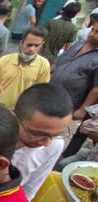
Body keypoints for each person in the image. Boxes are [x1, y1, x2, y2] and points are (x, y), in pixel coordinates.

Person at [12, 83, 73, 201]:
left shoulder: (56, 144)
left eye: (55, 135)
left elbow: (30, 188)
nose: (47, 143)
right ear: (15, 118)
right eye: (37, 134)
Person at [51, 19, 98, 159]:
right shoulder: (80, 43)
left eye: (97, 32)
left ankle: (57, 156)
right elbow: (61, 61)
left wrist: (83, 109)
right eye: (92, 30)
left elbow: (96, 89)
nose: (92, 34)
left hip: (70, 100)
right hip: (52, 92)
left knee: (54, 129)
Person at [0, 26, 50, 110]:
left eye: (36, 45)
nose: (32, 49)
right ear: (21, 43)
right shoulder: (5, 59)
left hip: (17, 110)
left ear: (42, 45)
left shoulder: (43, 64)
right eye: (29, 45)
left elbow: (41, 89)